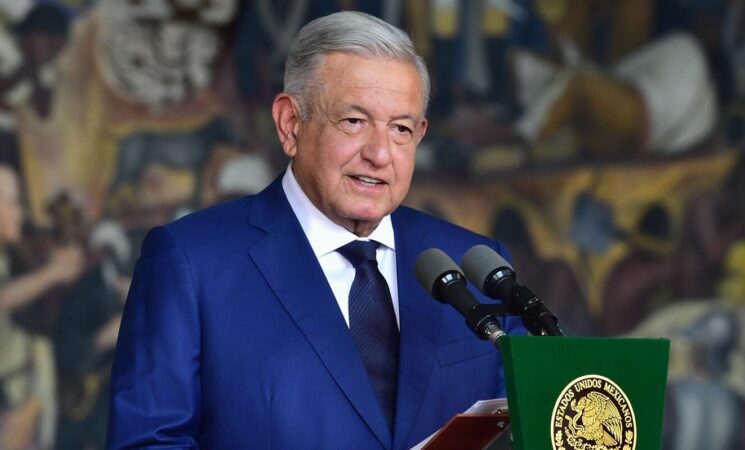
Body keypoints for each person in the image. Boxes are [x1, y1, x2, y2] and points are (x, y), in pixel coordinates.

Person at [107, 11, 524, 449]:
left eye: (400, 129)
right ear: (290, 123)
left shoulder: (475, 266)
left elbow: (527, 426)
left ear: (420, 135)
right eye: (353, 121)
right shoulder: (191, 263)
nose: (380, 154)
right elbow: (149, 443)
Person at [0, 164, 83, 450]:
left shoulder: (13, 254)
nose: (20, 213)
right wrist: (52, 273)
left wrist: (32, 405)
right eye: (12, 202)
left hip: (23, 395)